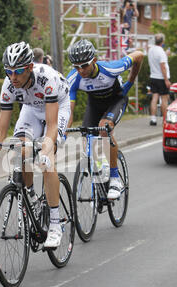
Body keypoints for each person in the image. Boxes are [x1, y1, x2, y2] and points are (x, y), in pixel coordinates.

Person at [0, 42, 70, 248]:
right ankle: (33, 197)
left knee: (47, 161)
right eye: (8, 71)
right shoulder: (8, 85)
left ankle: (55, 224)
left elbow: (52, 126)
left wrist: (45, 150)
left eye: (17, 71)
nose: (13, 77)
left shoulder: (47, 79)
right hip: (31, 109)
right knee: (20, 149)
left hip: (57, 106)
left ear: (29, 68)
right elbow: (1, 132)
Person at [67, 39, 143, 199]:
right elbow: (69, 111)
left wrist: (129, 82)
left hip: (115, 101)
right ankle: (101, 172)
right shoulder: (74, 78)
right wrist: (63, 133)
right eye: (76, 66)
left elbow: (139, 55)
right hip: (94, 105)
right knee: (87, 137)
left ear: (94, 60)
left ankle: (115, 178)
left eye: (84, 65)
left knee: (104, 127)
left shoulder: (110, 68)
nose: (80, 70)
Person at [148, 33, 171, 126]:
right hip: (161, 78)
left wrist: (165, 55)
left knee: (154, 98)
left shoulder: (151, 50)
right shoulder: (161, 51)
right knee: (164, 99)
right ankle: (165, 120)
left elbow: (156, 60)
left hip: (153, 76)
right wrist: (166, 80)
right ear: (162, 41)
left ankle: (153, 119)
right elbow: (162, 66)